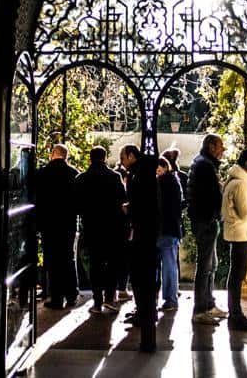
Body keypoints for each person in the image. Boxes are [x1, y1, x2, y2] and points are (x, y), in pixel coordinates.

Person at [74, 146, 127, 314]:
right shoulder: (115, 176)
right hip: (112, 227)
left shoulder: (81, 178)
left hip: (91, 227)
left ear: (90, 158)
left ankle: (97, 300)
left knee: (95, 264)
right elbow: (123, 201)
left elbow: (76, 205)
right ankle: (110, 298)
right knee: (112, 263)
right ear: (105, 158)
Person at [120, 144, 161, 352]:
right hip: (146, 235)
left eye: (123, 157)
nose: (122, 162)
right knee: (145, 278)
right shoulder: (144, 175)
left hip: (142, 236)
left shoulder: (139, 176)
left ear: (131, 155)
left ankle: (145, 317)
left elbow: (142, 207)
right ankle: (145, 313)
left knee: (141, 278)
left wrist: (129, 210)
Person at [32, 144, 80, 309]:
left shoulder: (43, 173)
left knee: (52, 260)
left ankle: (57, 297)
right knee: (68, 258)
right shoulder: (74, 174)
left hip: (49, 224)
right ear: (65, 156)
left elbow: (36, 200)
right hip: (68, 223)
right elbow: (77, 203)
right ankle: (72, 294)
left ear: (53, 154)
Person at [187, 134, 228, 325]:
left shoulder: (201, 163)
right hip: (206, 221)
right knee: (205, 266)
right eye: (220, 146)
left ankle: (208, 304)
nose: (223, 150)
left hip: (204, 220)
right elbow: (212, 195)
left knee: (211, 265)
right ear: (211, 147)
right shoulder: (206, 166)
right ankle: (201, 309)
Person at [221, 148, 247, 331]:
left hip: (236, 232)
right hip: (241, 234)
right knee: (238, 276)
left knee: (235, 275)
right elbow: (246, 213)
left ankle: (235, 313)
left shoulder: (235, 180)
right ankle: (236, 315)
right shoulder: (242, 184)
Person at [156, 157, 183, 311]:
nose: (157, 173)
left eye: (158, 170)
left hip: (164, 230)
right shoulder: (174, 182)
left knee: (168, 266)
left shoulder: (163, 183)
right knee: (170, 265)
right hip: (171, 229)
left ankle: (170, 300)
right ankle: (170, 299)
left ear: (165, 168)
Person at [113, 162, 133, 302]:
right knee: (124, 261)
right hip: (124, 230)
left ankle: (113, 292)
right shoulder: (125, 192)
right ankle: (122, 289)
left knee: (114, 261)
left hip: (112, 229)